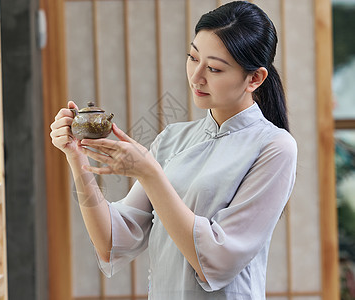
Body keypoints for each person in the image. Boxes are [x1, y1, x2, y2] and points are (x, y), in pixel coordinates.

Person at [50, 1, 297, 299]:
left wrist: (150, 174)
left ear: (254, 78)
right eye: (193, 58)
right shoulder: (173, 139)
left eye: (214, 68)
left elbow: (217, 263)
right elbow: (113, 240)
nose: (196, 77)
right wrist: (76, 156)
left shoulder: (274, 147)